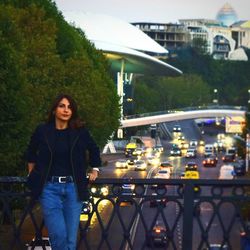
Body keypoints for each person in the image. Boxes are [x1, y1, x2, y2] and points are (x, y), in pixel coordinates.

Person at [26, 94, 101, 250]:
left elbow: (94, 149)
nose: (66, 110)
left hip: (73, 189)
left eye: (69, 107)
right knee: (58, 236)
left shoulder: (80, 132)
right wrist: (32, 172)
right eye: (62, 106)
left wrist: (95, 169)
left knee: (70, 240)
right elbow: (31, 152)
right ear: (54, 110)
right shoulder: (42, 130)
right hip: (49, 189)